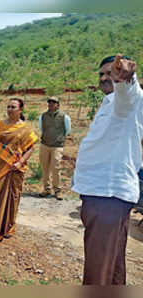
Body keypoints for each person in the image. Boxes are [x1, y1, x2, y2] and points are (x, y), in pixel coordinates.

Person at [72, 54, 141, 285]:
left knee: (97, 270)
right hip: (104, 195)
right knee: (111, 266)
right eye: (101, 74)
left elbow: (127, 98)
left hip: (107, 195)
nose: (104, 78)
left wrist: (125, 80)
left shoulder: (129, 99)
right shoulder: (109, 102)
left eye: (110, 73)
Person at [0, 98, 37, 247]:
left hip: (15, 168)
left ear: (21, 110)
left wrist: (20, 162)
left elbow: (31, 147)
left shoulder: (25, 129)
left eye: (13, 107)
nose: (10, 109)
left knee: (12, 197)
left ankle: (6, 228)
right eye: (8, 107)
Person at [38, 96, 71, 200]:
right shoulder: (43, 116)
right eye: (49, 102)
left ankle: (57, 190)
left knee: (56, 168)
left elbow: (67, 130)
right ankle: (46, 189)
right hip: (44, 145)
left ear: (58, 105)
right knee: (44, 168)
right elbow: (41, 128)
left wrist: (59, 138)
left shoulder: (64, 117)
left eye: (54, 102)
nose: (51, 104)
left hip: (57, 146)